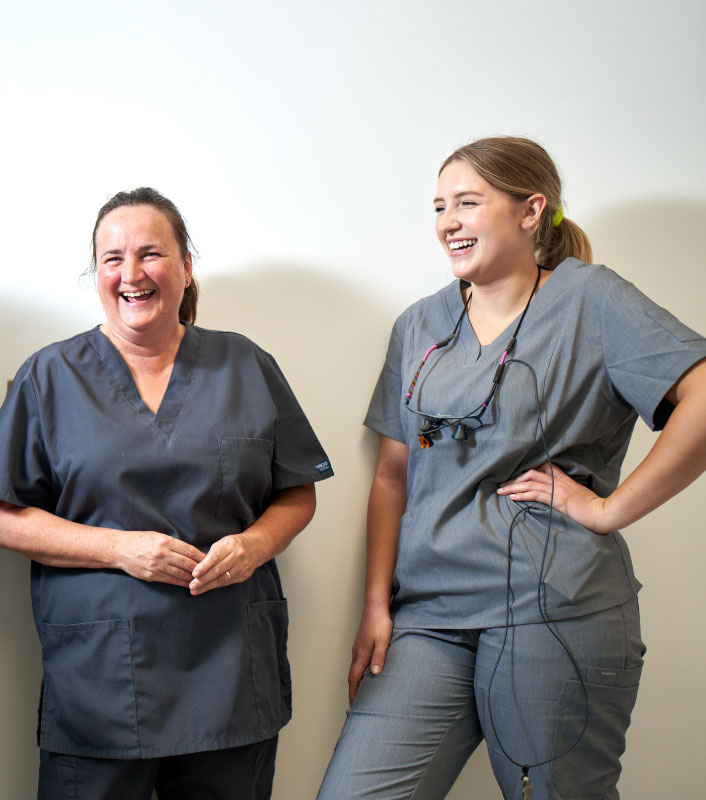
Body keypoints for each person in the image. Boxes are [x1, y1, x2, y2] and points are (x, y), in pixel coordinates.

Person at [317, 137, 706, 800]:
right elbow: (392, 476)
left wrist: (607, 509)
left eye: (468, 202)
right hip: (429, 618)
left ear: (531, 212)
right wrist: (376, 604)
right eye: (440, 206)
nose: (448, 221)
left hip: (553, 610)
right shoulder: (419, 325)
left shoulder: (593, 301)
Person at [0, 187, 333, 800]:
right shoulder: (48, 376)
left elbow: (297, 491)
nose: (131, 274)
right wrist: (117, 550)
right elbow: (4, 516)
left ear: (184, 267)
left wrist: (255, 546)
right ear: (96, 274)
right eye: (112, 258)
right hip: (99, 684)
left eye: (151, 254)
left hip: (231, 675)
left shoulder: (246, 364)